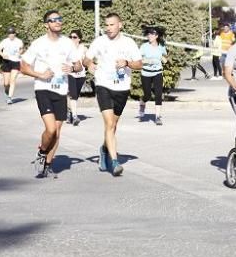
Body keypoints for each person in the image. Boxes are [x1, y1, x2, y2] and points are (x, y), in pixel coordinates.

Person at [20, 10, 84, 179]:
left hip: (61, 90)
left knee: (57, 131)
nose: (57, 22)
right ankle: (42, 152)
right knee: (50, 129)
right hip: (43, 88)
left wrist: (72, 68)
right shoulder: (38, 44)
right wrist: (40, 75)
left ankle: (47, 164)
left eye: (59, 19)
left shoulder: (68, 43)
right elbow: (23, 67)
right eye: (53, 20)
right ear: (46, 24)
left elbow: (79, 65)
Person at [84, 13, 142, 177]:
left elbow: (139, 64)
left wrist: (127, 63)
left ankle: (104, 149)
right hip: (103, 85)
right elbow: (86, 59)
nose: (108, 28)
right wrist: (89, 64)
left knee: (113, 126)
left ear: (120, 25)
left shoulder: (128, 43)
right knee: (109, 124)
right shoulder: (99, 41)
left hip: (122, 88)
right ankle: (115, 162)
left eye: (112, 25)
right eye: (107, 25)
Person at [138, 26, 167, 126]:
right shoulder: (144, 46)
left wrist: (164, 59)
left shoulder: (161, 46)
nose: (149, 35)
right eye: (148, 34)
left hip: (158, 72)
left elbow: (164, 56)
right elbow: (138, 60)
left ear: (157, 36)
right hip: (146, 73)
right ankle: (142, 103)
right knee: (148, 95)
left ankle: (157, 116)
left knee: (158, 94)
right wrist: (147, 61)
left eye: (152, 34)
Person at [65, 29, 87, 126]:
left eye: (74, 37)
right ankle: (74, 116)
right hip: (70, 74)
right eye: (70, 37)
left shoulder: (84, 48)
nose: (72, 39)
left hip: (81, 75)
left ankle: (69, 112)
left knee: (74, 96)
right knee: (73, 95)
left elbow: (87, 61)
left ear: (79, 39)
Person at [0, 27, 24, 105]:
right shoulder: (4, 41)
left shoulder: (19, 41)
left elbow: (22, 49)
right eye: (9, 33)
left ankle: (9, 98)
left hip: (16, 61)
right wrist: (2, 55)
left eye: (12, 33)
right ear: (8, 34)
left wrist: (20, 52)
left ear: (15, 34)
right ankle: (7, 91)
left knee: (12, 80)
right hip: (6, 61)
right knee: (6, 83)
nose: (11, 35)